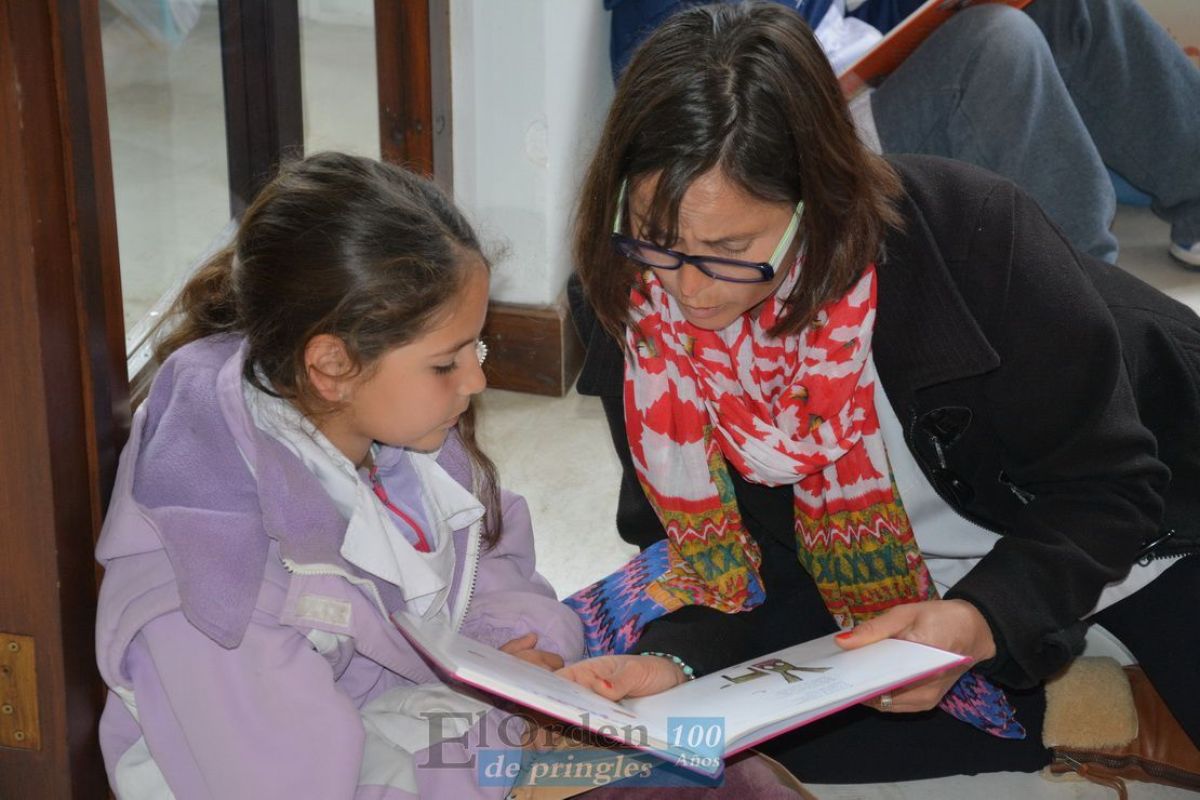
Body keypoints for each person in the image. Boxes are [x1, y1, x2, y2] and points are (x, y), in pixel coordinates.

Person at [561, 1, 1200, 784]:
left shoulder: (975, 236)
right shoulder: (627, 301)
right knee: (697, 740)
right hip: (904, 570)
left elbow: (1111, 494)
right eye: (654, 241)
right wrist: (679, 661)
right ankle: (1089, 704)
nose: (688, 292)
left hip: (1151, 520)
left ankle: (1087, 678)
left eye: (730, 250)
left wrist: (979, 620)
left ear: (819, 203)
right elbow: (731, 557)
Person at [93, 153, 586, 799]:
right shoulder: (217, 599)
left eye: (476, 346)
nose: (477, 380)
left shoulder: (380, 420)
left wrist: (515, 657)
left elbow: (488, 550)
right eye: (446, 363)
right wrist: (502, 739)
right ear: (331, 364)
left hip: (405, 728)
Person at [606, 0, 1200, 269]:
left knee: (1072, 7)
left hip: (866, 83)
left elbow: (855, 23)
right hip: (795, 141)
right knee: (998, 43)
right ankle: (1093, 302)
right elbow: (684, 107)